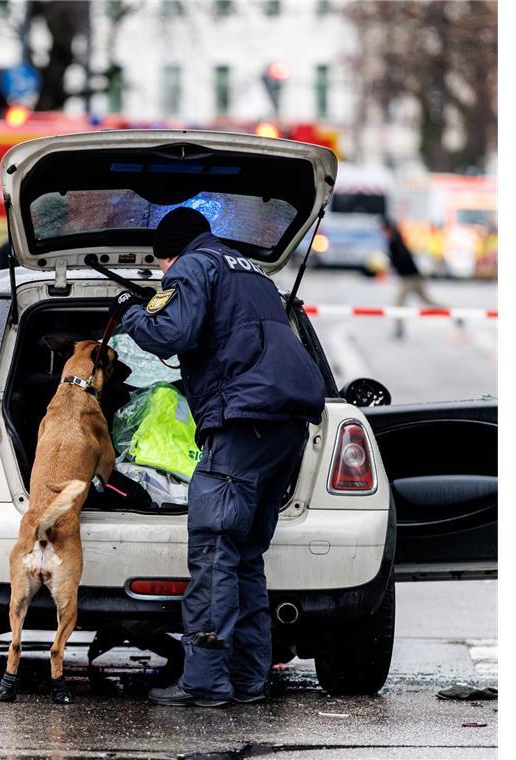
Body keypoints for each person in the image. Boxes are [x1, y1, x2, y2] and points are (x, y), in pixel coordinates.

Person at [109, 207, 325, 708]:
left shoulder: (189, 266)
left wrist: (132, 310)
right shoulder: (252, 271)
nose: (164, 275)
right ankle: (248, 681)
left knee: (212, 551)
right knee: (245, 556)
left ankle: (204, 683)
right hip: (286, 426)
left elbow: (171, 334)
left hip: (242, 423)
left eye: (161, 267)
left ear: (170, 254)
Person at [383, 216, 442, 338]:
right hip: (413, 276)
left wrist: (392, 263)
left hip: (409, 278)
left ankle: (399, 329)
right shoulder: (397, 239)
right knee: (427, 300)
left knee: (399, 304)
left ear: (388, 229)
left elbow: (402, 258)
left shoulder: (395, 241)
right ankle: (454, 313)